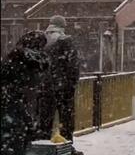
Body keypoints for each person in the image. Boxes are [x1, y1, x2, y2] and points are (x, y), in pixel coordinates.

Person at [0, 31, 49, 155]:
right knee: (16, 137)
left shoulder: (15, 58)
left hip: (14, 106)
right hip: (15, 107)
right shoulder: (32, 62)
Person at [38, 16, 81, 148]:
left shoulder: (43, 41)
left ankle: (44, 145)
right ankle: (66, 145)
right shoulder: (67, 41)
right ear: (63, 26)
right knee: (66, 118)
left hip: (45, 86)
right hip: (63, 87)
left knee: (45, 118)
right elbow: (74, 66)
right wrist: (72, 83)